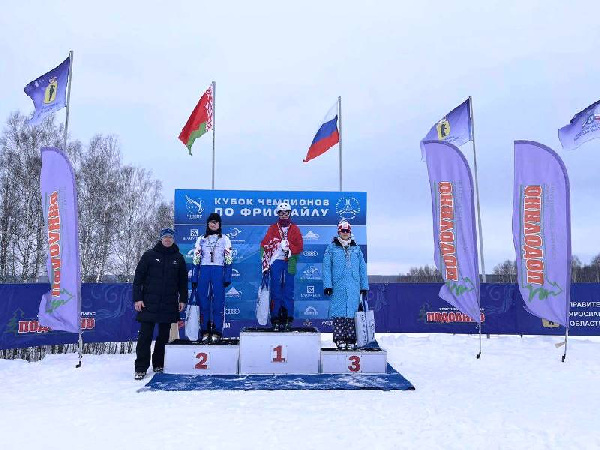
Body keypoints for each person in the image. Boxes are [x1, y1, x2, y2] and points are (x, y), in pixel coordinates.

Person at [133, 228, 188, 380]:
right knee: (145, 337)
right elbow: (138, 279)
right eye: (165, 237)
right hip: (148, 304)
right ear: (161, 239)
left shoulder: (179, 258)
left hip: (169, 304)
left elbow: (183, 282)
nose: (168, 239)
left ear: (173, 240)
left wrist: (183, 299)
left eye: (170, 237)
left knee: (163, 337)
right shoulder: (149, 255)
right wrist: (137, 298)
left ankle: (158, 364)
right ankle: (140, 368)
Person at [322, 220, 369, 349]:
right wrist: (328, 285)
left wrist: (364, 286)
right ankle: (339, 339)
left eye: (347, 231)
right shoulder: (331, 248)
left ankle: (351, 339)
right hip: (338, 285)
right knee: (339, 312)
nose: (345, 233)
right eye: (342, 231)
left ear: (350, 232)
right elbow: (326, 268)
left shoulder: (356, 248)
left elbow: (362, 268)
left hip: (354, 285)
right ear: (339, 232)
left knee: (352, 313)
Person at [190, 212, 233, 344]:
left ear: (219, 224)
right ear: (208, 224)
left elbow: (229, 259)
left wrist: (227, 276)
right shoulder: (201, 239)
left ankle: (217, 331)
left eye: (216, 222)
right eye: (211, 222)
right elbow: (196, 259)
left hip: (218, 270)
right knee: (203, 301)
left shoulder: (225, 239)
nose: (213, 224)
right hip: (204, 270)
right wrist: (194, 278)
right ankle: (204, 331)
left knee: (218, 302)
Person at [260, 201, 303, 330]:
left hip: (290, 261)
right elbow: (264, 245)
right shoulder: (273, 228)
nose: (284, 215)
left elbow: (300, 246)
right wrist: (266, 263)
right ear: (278, 214)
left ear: (290, 213)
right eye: (281, 213)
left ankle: (288, 317)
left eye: (286, 213)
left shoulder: (294, 228)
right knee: (276, 289)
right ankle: (276, 317)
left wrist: (290, 248)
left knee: (288, 290)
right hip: (276, 262)